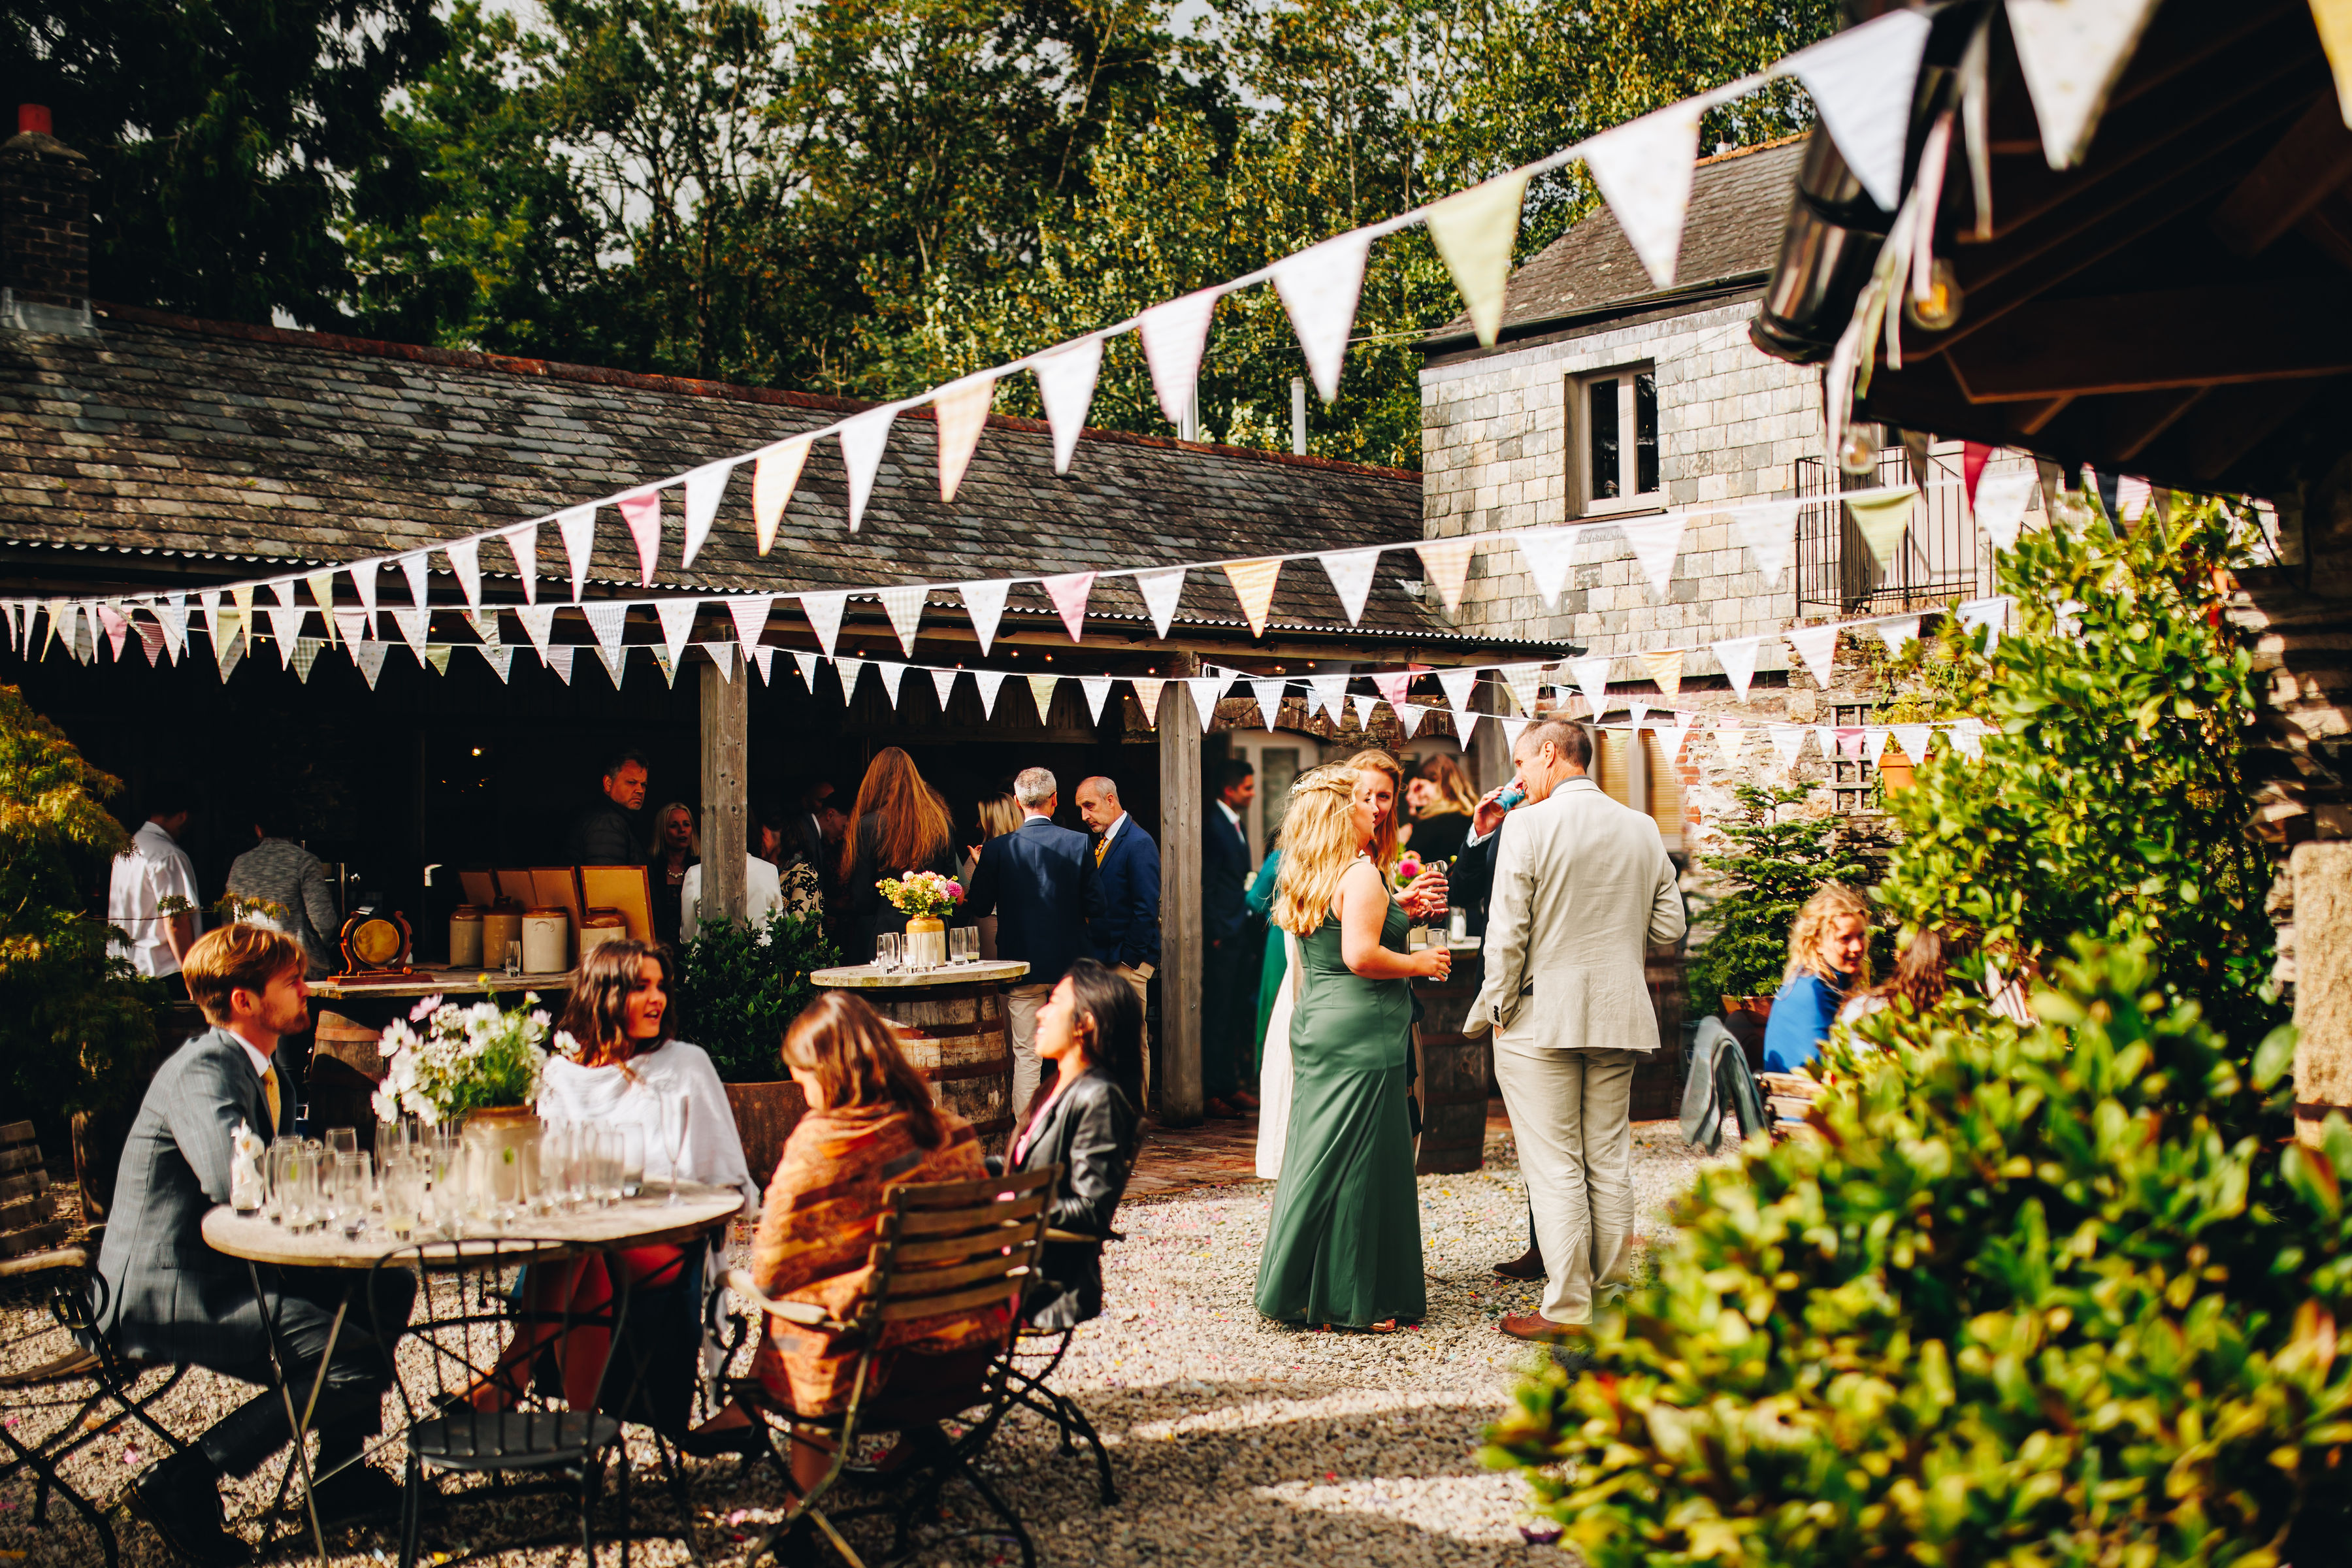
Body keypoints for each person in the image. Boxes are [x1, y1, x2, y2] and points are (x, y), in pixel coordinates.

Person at [98, 925, 414, 1564]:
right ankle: (183, 1481)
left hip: (224, 1269)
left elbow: (277, 1173)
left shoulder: (269, 1073)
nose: (306, 990)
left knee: (386, 1282)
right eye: (291, 982)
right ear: (245, 1000)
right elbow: (234, 1178)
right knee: (346, 1356)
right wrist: (317, 1175)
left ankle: (339, 1477)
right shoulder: (206, 1068)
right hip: (165, 1286)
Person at [686, 991, 1005, 1497]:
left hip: (873, 1377)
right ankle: (755, 1416)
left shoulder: (822, 1146)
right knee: (844, 1294)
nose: (800, 1088)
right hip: (965, 1353)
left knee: (801, 1313)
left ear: (827, 1073)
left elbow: (770, 1273)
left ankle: (800, 1514)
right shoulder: (953, 1132)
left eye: (802, 1076)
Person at [1463, 719, 1687, 1342]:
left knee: (1556, 1164)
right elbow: (1668, 926)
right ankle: (1612, 1300)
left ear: (1552, 754)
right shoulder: (1642, 828)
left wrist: (1497, 1009)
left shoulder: (1527, 827)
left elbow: (1506, 935)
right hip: (1619, 1012)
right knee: (1607, 1159)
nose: (1520, 781)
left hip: (1541, 1018)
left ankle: (1566, 1310)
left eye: (1522, 766)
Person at [482, 940, 757, 1442]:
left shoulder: (685, 1065)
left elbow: (732, 1183)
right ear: (604, 995)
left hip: (661, 1242)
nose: (657, 999)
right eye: (640, 987)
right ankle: (584, 1432)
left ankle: (509, 1380)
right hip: (580, 1243)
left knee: (585, 1248)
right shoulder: (560, 1075)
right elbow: (547, 1178)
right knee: (587, 1245)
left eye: (660, 987)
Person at [1254, 764, 1450, 1333]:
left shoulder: (1309, 870)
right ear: (1343, 811)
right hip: (1362, 1029)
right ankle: (1351, 1300)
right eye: (1362, 800)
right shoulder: (1360, 873)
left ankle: (1299, 1286)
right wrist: (1419, 959)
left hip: (1321, 1024)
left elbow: (1347, 933)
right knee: (1361, 1162)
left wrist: (1399, 907)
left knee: (1319, 1158)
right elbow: (1361, 956)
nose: (1374, 807)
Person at [962, 767, 1105, 1126]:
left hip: (1020, 964)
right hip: (1068, 967)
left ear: (1017, 802)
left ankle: (1028, 1132)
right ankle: (1071, 1126)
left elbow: (978, 906)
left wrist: (986, 870)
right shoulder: (1078, 843)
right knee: (1071, 1053)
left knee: (1026, 1054)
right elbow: (1097, 906)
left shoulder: (997, 848)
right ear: (1055, 801)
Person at [1008, 958, 1144, 1328]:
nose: (1041, 1013)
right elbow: (1022, 1167)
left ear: (1085, 1023)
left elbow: (1091, 1209)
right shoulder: (1054, 1089)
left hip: (1043, 1277)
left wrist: (1014, 1204)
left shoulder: (1099, 1098)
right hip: (1007, 1257)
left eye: (1053, 1002)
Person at [1075, 775, 1160, 1083]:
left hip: (1126, 962)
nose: (1085, 816)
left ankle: (1133, 1124)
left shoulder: (1138, 842)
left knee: (1131, 1044)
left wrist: (1129, 960)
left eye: (1089, 806)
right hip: (1105, 959)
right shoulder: (1106, 841)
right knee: (1109, 1045)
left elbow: (1146, 906)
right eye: (1081, 809)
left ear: (1111, 800)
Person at [839, 747, 960, 962]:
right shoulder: (941, 823)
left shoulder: (868, 826)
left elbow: (863, 901)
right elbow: (951, 887)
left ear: (877, 782)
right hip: (934, 936)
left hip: (888, 940)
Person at [1762, 884, 1872, 1071]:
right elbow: (1817, 1069)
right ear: (1817, 943)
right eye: (1845, 939)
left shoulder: (1833, 981)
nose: (1857, 948)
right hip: (1796, 1098)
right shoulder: (1811, 990)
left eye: (1861, 936)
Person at [1201, 758, 1257, 1119]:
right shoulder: (1213, 826)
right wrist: (1218, 933)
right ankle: (1213, 1090)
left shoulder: (1232, 823)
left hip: (1237, 931)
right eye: (1248, 788)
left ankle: (1230, 1084)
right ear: (1230, 790)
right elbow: (1208, 884)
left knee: (1233, 1010)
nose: (1252, 794)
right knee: (1218, 1013)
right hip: (1223, 934)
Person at [108, 779, 201, 990]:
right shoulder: (169, 855)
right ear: (183, 816)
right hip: (161, 974)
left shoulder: (127, 849)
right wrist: (192, 978)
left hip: (122, 971)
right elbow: (176, 921)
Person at [680, 800, 814, 938]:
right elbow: (776, 925)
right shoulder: (768, 871)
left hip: (711, 958)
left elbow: (688, 936)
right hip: (758, 957)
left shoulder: (695, 875)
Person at [962, 792, 1023, 960]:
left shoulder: (986, 852)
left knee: (991, 980)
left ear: (992, 822)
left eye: (981, 819)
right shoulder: (1026, 848)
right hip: (1022, 926)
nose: (977, 825)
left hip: (991, 922)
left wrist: (981, 868)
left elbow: (962, 889)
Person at [567, 749, 649, 864]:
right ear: (608, 783)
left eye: (644, 784)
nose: (640, 790)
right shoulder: (606, 823)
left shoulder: (614, 820)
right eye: (631, 782)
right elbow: (606, 879)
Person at [1403, 753, 1478, 863]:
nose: (1420, 794)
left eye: (1421, 787)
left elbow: (1408, 863)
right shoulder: (1473, 817)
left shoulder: (1430, 822)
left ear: (1437, 780)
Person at [648, 800, 700, 947]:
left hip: (692, 951)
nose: (682, 830)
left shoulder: (701, 868)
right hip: (659, 948)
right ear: (662, 831)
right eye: (673, 825)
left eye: (686, 824)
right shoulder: (652, 868)